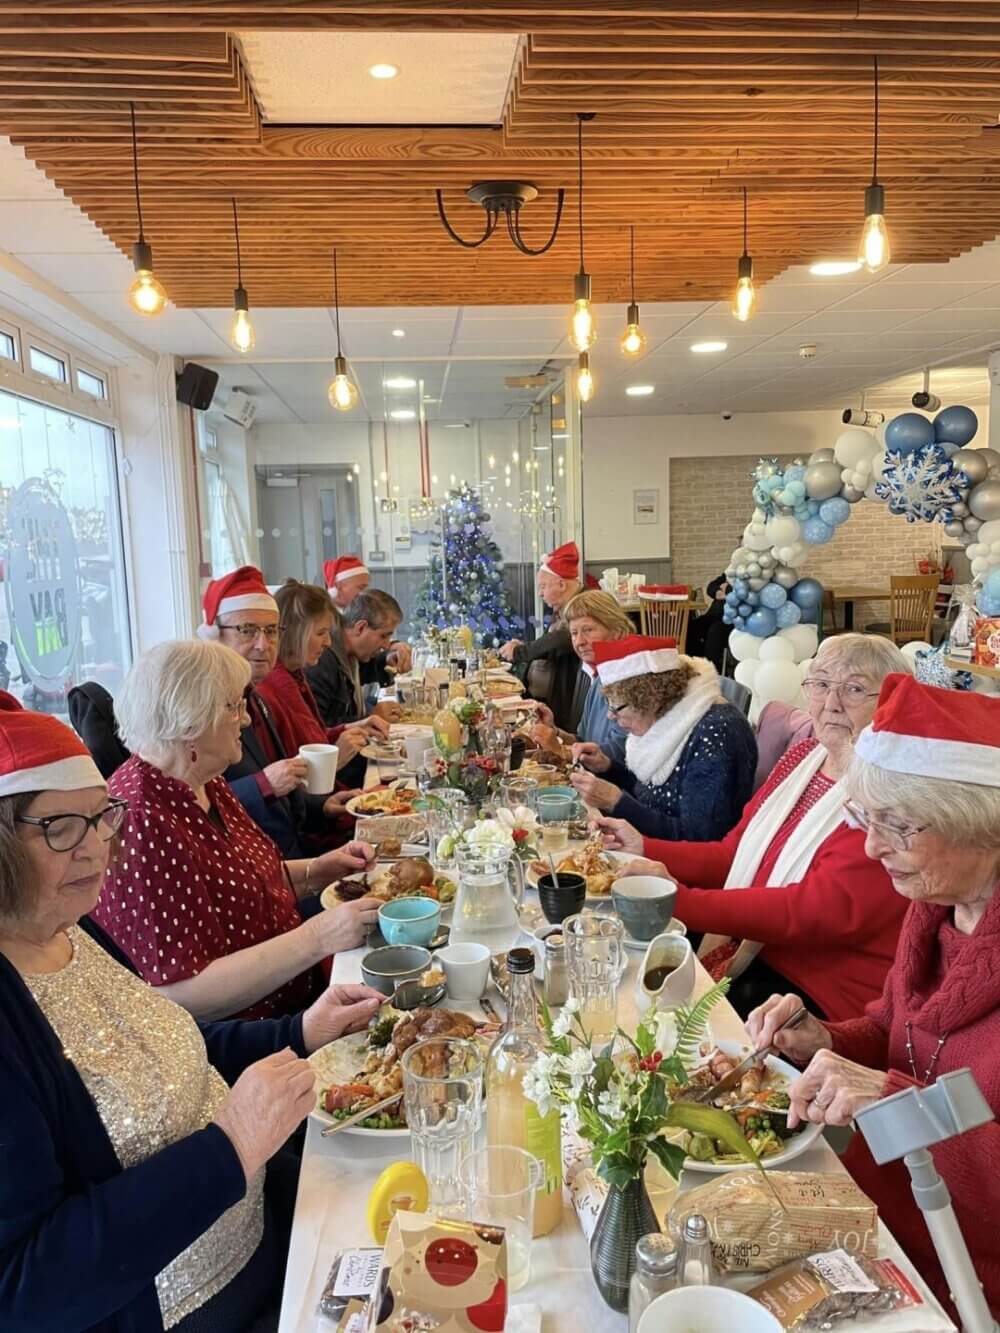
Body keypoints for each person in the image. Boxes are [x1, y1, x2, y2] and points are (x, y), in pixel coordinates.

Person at [0, 692, 384, 1332]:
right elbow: (23, 1288)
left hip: (265, 1218)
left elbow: (166, 1036)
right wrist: (229, 1148)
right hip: (202, 1306)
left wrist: (300, 1031)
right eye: (61, 827)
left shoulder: (66, 928)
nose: (97, 849)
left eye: (101, 817)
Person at [747, 675, 1000, 1321]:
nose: (870, 845)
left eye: (899, 825)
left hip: (965, 1278)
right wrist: (823, 1038)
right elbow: (896, 1032)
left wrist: (894, 1101)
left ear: (985, 827)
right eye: (866, 818)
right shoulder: (938, 910)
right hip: (879, 1221)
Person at [597, 633, 912, 1022]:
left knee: (639, 1007)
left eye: (855, 689)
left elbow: (810, 911)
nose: (831, 703)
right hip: (752, 948)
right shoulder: (804, 757)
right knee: (615, 970)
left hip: (821, 992)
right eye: (821, 684)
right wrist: (644, 847)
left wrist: (678, 900)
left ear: (892, 701)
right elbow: (734, 853)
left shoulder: (887, 794)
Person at [95, 640, 381, 1021]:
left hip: (301, 992)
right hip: (259, 1032)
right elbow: (177, 994)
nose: (245, 720)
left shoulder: (202, 779)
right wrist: (318, 937)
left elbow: (243, 881)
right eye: (234, 707)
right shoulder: (141, 820)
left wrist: (318, 870)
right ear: (190, 721)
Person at [197, 565, 358, 856]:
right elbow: (193, 807)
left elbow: (282, 787)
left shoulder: (253, 696)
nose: (263, 645)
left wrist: (322, 806)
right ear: (214, 636)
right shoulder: (199, 710)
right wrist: (263, 784)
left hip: (290, 853)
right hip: (254, 866)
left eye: (271, 631)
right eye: (247, 630)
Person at [571, 634, 756, 842]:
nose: (610, 716)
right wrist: (608, 767)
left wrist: (615, 802)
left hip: (673, 858)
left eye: (617, 707)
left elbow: (698, 837)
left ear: (650, 698)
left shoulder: (716, 733)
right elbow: (651, 794)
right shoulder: (666, 720)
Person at [255, 579, 379, 766]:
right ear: (294, 633)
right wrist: (335, 759)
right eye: (321, 633)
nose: (328, 642)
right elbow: (293, 766)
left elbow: (315, 737)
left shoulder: (295, 674)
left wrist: (350, 727)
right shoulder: (277, 685)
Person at [528, 589, 631, 767]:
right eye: (574, 633)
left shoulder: (630, 680)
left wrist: (560, 751)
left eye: (588, 630)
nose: (579, 641)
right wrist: (555, 731)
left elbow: (618, 754)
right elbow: (583, 740)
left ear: (617, 631)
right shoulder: (599, 677)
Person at [499, 540, 584, 731]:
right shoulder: (564, 607)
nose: (539, 593)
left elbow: (562, 639)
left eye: (543, 586)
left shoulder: (582, 605)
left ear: (561, 584)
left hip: (561, 713)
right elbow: (550, 643)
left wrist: (521, 651)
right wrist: (523, 646)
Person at [307, 587, 406, 733]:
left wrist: (389, 658)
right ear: (360, 628)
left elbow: (368, 668)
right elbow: (318, 727)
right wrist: (369, 718)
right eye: (383, 636)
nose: (386, 645)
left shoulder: (350, 653)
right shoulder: (322, 661)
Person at [324, 555, 412, 673]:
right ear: (338, 587)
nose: (364, 594)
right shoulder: (326, 651)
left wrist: (387, 657)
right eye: (361, 588)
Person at [684, 573, 733, 672]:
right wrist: (719, 592)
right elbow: (711, 587)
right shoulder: (730, 573)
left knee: (714, 632)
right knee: (690, 627)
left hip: (729, 620)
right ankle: (694, 665)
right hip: (712, 616)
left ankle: (711, 670)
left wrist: (727, 588)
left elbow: (741, 592)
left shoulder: (750, 575)